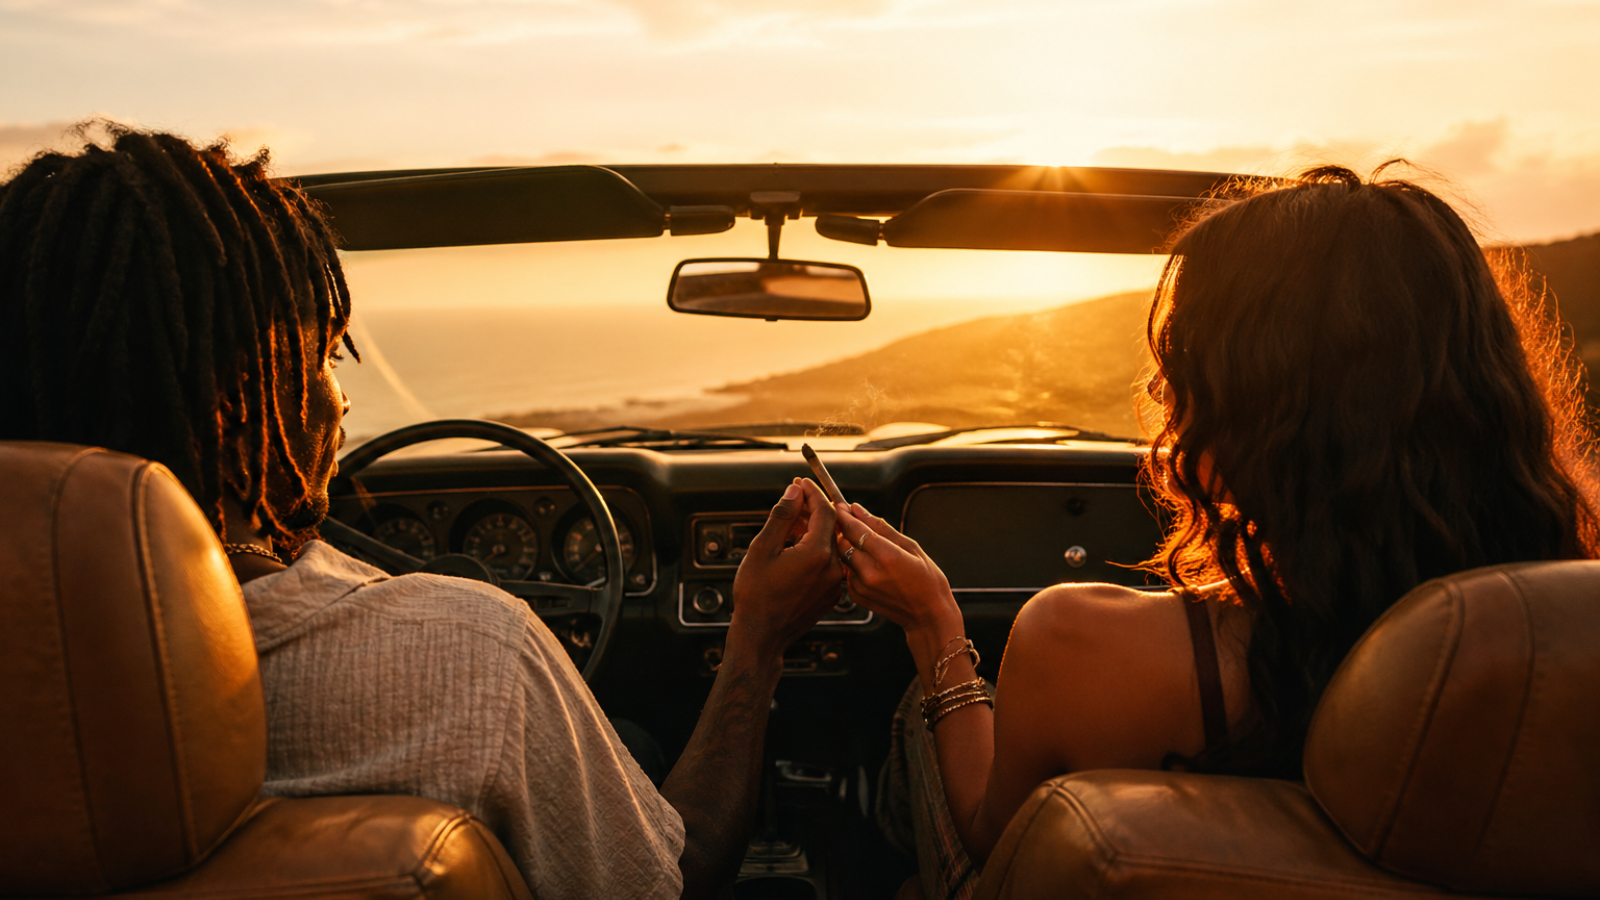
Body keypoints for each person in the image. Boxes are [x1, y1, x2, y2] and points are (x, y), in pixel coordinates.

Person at [0, 127, 845, 900]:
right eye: (324, 359)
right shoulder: (470, 661)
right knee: (632, 750)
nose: (339, 403)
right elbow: (676, 881)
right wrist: (757, 642)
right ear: (243, 407)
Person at [843, 165, 1600, 899]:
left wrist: (933, 624)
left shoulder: (1075, 643)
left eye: (1182, 359)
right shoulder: (1559, 641)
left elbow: (986, 836)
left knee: (923, 709)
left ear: (1247, 406)